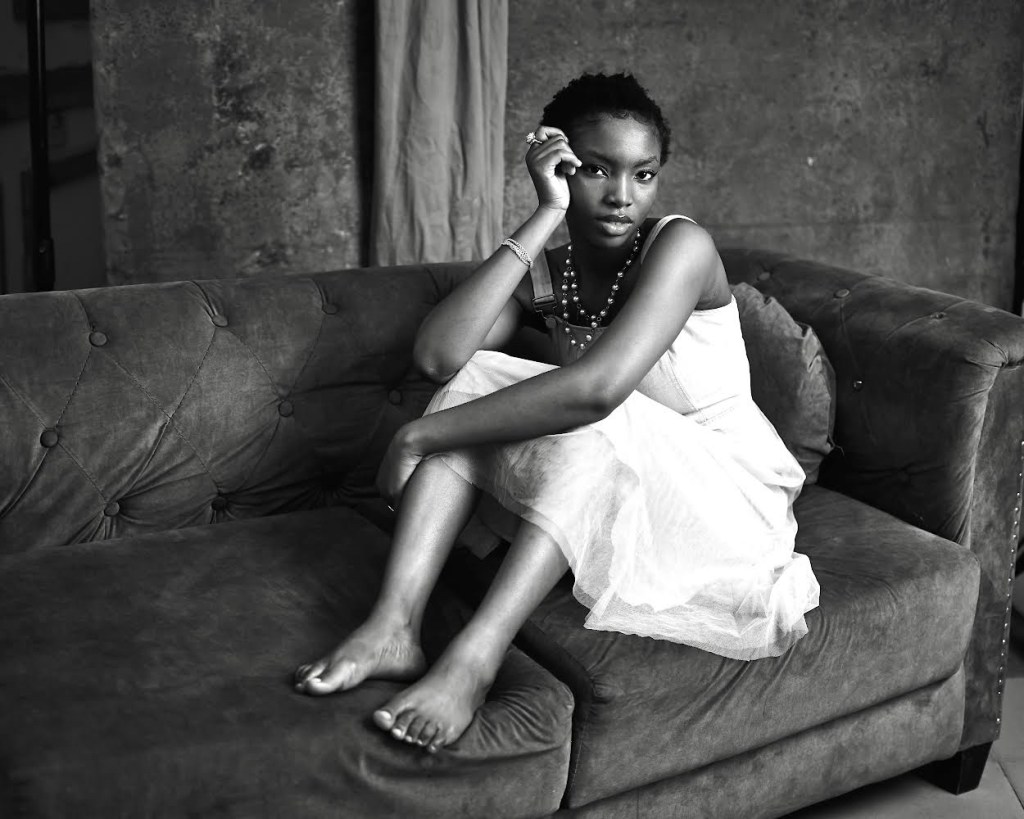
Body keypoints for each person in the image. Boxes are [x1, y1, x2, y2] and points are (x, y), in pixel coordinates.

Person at [294, 72, 819, 754]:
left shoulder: (681, 246)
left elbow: (598, 391)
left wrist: (417, 435)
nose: (622, 195)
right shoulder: (556, 271)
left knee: (592, 411)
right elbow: (440, 356)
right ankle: (394, 624)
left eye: (644, 174)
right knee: (482, 376)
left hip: (725, 496)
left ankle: (475, 659)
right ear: (559, 163)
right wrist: (544, 213)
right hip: (625, 480)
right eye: (596, 169)